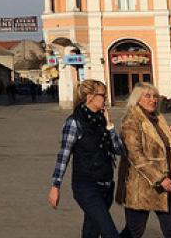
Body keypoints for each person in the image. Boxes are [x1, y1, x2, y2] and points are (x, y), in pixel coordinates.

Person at [48, 79, 125, 238]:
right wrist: (55, 186)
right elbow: (64, 155)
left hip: (106, 186)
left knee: (91, 232)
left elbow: (119, 150)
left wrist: (110, 126)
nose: (106, 99)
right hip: (86, 187)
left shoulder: (102, 119)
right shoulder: (74, 122)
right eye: (103, 95)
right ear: (90, 97)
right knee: (110, 232)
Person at [116, 82, 171, 238]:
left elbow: (156, 143)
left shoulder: (156, 119)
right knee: (134, 231)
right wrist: (159, 178)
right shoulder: (131, 121)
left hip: (164, 184)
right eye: (148, 96)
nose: (153, 100)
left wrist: (169, 135)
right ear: (137, 99)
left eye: (155, 96)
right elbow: (135, 154)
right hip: (140, 186)